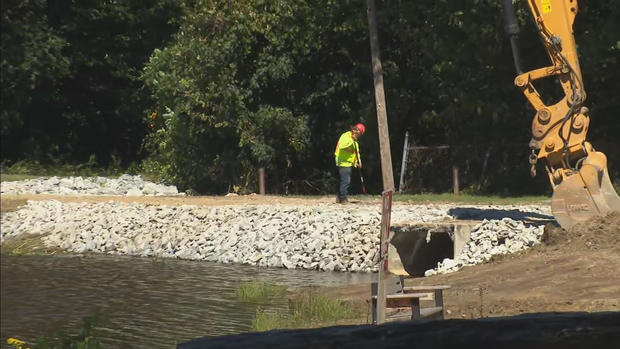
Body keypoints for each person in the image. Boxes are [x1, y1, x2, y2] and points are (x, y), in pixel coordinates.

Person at [334, 123, 365, 203]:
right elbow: (342, 146)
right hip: (343, 162)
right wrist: (352, 140)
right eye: (358, 133)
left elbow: (356, 153)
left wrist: (358, 162)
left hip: (349, 163)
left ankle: (339, 198)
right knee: (346, 181)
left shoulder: (355, 143)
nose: (358, 136)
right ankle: (343, 198)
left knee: (344, 180)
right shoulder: (346, 136)